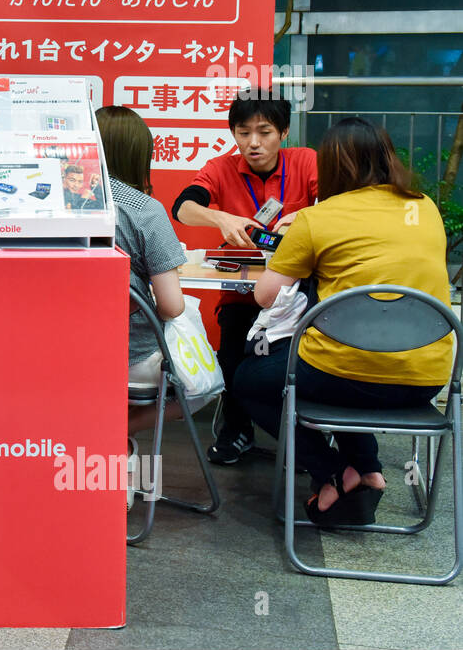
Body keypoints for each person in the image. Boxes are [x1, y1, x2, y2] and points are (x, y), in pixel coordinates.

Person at [234, 118, 451, 525]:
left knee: (250, 379)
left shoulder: (318, 218)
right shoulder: (425, 207)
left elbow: (265, 295)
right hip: (425, 378)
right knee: (347, 373)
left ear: (331, 167)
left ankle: (332, 471)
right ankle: (367, 470)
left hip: (343, 371)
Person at [172, 91, 318, 465]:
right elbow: (183, 206)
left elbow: (339, 203)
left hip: (298, 295)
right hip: (241, 293)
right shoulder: (221, 168)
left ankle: (305, 439)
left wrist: (305, 218)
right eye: (243, 132)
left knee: (299, 363)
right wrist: (221, 218)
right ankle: (236, 431)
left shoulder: (305, 162)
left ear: (283, 132)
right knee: (234, 355)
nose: (253, 143)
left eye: (265, 131)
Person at [95, 106, 187, 401]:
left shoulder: (50, 203)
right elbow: (172, 306)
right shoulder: (145, 210)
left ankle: (97, 437)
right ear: (138, 154)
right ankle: (118, 438)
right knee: (201, 388)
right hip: (130, 354)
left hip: (57, 347)